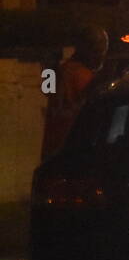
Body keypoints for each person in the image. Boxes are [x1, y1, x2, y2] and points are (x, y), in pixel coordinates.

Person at [41, 24, 108, 160]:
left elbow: (47, 91)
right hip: (71, 147)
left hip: (53, 145)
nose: (100, 57)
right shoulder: (82, 76)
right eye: (98, 52)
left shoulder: (63, 70)